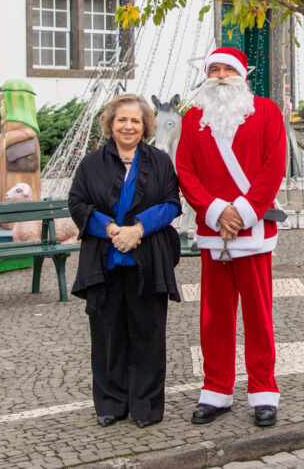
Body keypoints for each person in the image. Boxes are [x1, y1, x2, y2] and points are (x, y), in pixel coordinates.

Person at [175, 47, 286, 428]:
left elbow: (274, 165)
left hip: (252, 230)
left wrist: (242, 211)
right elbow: (185, 171)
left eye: (227, 69)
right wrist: (216, 211)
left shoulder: (267, 112)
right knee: (214, 318)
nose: (221, 76)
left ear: (242, 74)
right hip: (213, 230)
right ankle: (216, 391)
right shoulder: (193, 119)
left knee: (259, 316)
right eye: (214, 69)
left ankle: (263, 393)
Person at [68, 94, 182, 429]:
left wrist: (139, 229)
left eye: (135, 121)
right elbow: (76, 202)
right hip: (104, 262)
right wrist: (108, 228)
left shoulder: (160, 162)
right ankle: (110, 404)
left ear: (146, 125)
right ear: (110, 124)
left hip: (147, 262)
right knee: (107, 336)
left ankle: (145, 406)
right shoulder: (91, 163)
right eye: (122, 120)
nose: (128, 126)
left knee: (148, 336)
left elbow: (171, 203)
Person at [0, 80, 41, 203]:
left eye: (4, 104)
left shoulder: (22, 122)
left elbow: (29, 133)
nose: (1, 109)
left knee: (17, 187)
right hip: (10, 164)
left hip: (18, 168)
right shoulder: (7, 123)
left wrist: (6, 139)